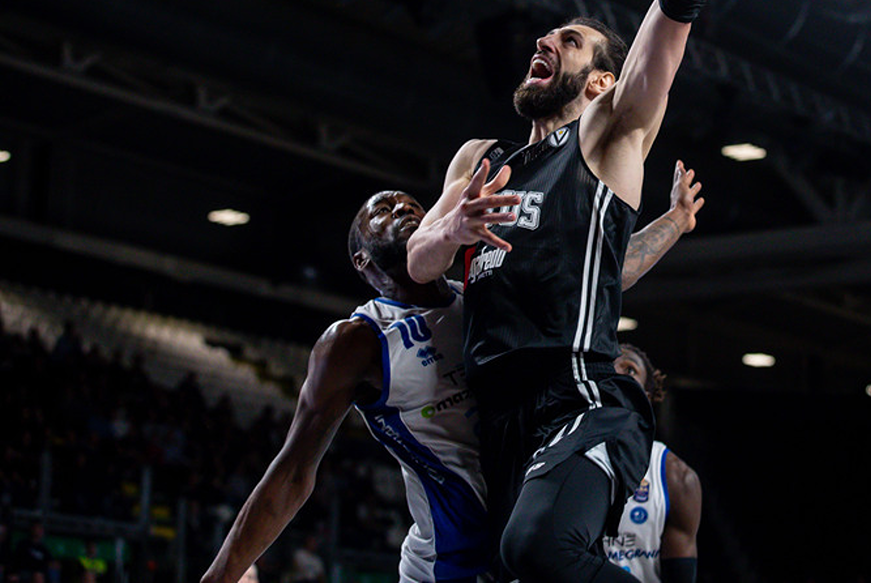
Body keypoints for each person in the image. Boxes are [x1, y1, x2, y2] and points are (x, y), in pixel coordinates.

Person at [405, 0, 766, 583]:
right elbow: (423, 267)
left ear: (602, 80)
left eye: (568, 41)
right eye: (545, 36)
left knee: (535, 549)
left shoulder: (608, 137)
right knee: (517, 566)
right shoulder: (479, 161)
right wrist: (452, 227)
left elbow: (676, 8)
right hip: (495, 410)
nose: (545, 41)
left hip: (583, 400)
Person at [201, 168, 703, 583]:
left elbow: (604, 272)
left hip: (523, 542)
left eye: (412, 206)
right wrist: (224, 573)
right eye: (383, 210)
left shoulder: (484, 297)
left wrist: (677, 220)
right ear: (360, 259)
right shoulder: (357, 341)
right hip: (446, 565)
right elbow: (293, 470)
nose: (403, 209)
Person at [605, 344, 701, 583]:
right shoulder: (551, 453)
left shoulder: (676, 478)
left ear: (646, 396)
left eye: (629, 370)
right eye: (607, 365)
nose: (616, 373)